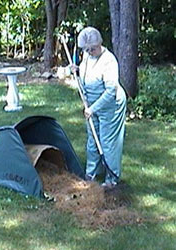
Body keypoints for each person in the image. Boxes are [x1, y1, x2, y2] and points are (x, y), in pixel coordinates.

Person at [73, 26, 127, 188]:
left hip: (111, 105)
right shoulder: (87, 57)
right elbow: (86, 73)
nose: (89, 52)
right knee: (92, 140)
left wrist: (93, 109)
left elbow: (111, 91)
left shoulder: (108, 61)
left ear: (100, 44)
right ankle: (91, 172)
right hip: (92, 105)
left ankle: (112, 178)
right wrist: (76, 71)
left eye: (93, 49)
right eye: (86, 49)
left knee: (108, 141)